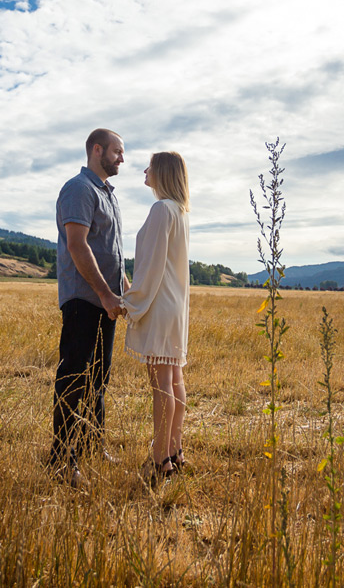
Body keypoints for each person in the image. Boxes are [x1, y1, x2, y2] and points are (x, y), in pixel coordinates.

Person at [49, 128, 128, 487]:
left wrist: (125, 292)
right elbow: (78, 246)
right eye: (117, 151)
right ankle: (62, 460)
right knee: (73, 381)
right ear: (97, 150)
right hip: (84, 300)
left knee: (98, 381)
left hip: (106, 303)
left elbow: (111, 253)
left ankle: (92, 446)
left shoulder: (107, 195)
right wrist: (105, 294)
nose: (122, 158)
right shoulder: (78, 189)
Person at [122, 152, 191, 485]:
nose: (144, 171)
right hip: (174, 305)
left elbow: (151, 264)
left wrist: (130, 299)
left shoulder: (162, 209)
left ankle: (160, 456)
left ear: (162, 172)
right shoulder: (178, 210)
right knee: (175, 378)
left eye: (150, 166)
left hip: (159, 304)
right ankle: (175, 450)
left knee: (161, 383)